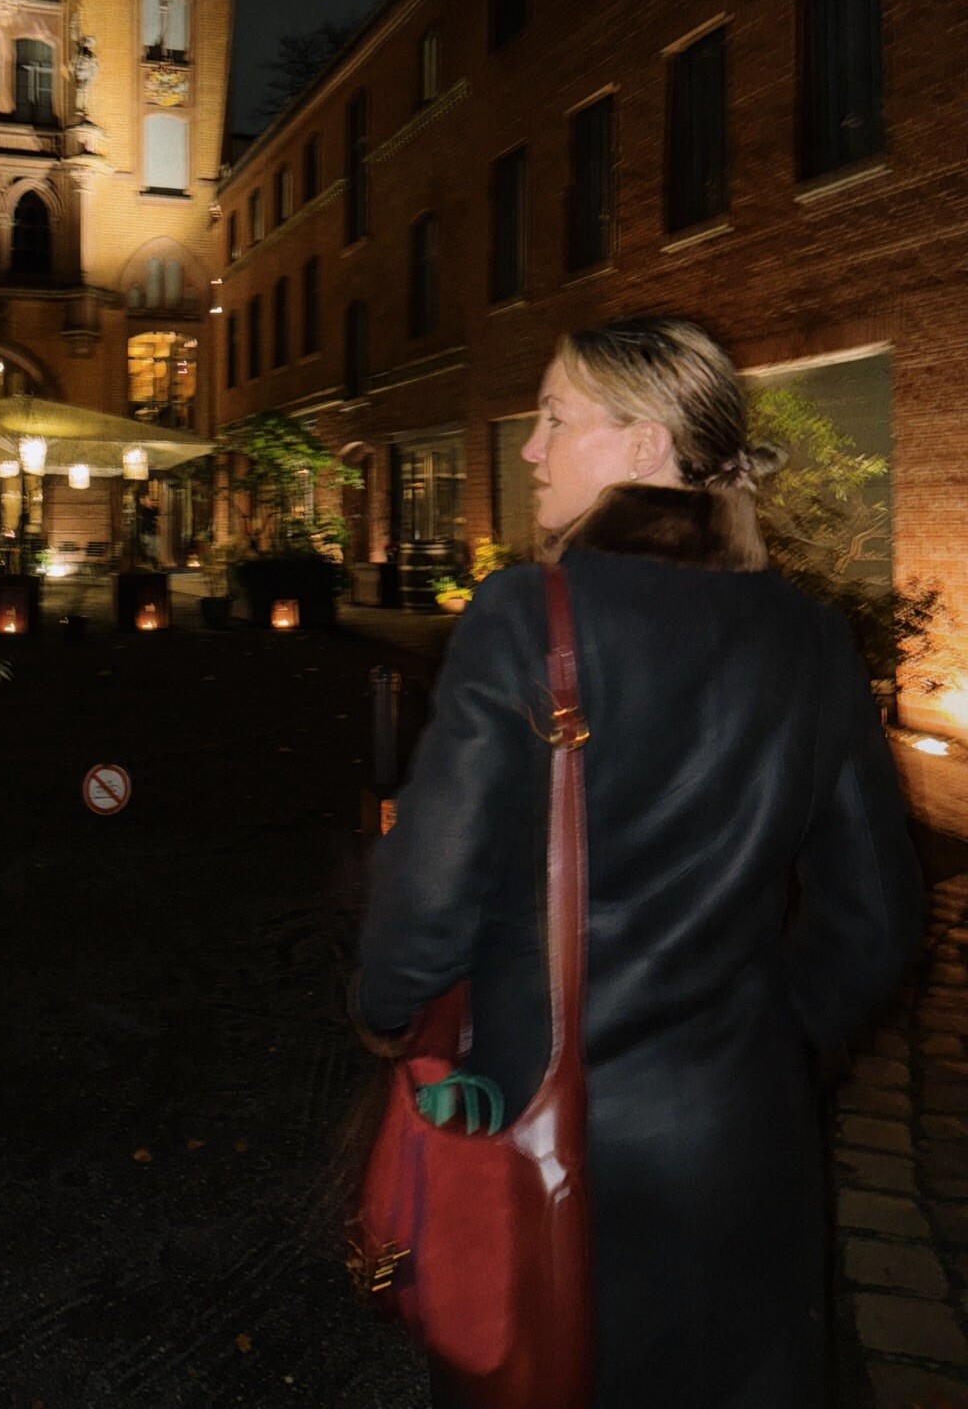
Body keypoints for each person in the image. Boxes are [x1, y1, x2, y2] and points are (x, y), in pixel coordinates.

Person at [355, 314, 923, 1409]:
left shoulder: (526, 616)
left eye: (556, 418)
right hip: (742, 1137)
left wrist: (391, 1014)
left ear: (647, 443)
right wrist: (766, 1044)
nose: (531, 448)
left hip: (546, 1131)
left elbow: (425, 901)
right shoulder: (809, 635)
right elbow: (878, 920)